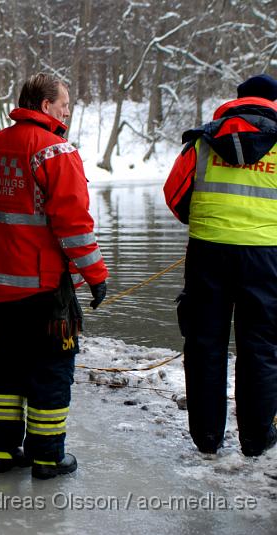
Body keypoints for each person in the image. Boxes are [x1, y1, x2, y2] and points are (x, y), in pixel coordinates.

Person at [0, 73, 108, 479]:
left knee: (9, 365)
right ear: (44, 105)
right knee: (52, 369)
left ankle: (2, 452)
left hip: (4, 285)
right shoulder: (55, 151)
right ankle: (48, 458)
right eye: (63, 103)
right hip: (45, 286)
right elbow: (73, 225)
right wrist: (96, 275)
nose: (68, 110)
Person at [163, 73, 277, 457]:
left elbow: (174, 193)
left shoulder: (204, 140)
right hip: (267, 257)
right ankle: (257, 440)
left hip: (208, 253)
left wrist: (205, 221)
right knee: (260, 347)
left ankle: (207, 440)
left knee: (205, 344)